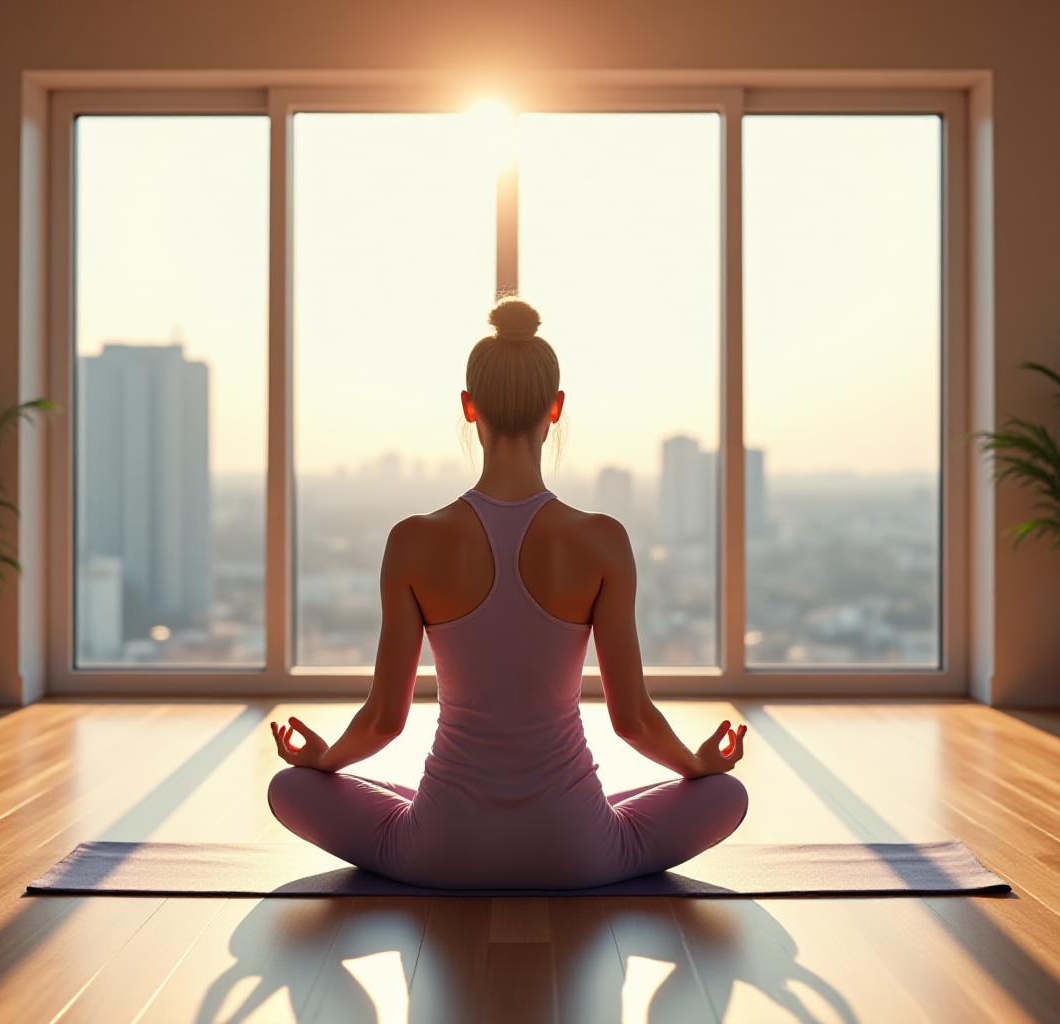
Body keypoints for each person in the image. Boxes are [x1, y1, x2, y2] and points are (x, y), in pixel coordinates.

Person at [268, 297, 749, 889]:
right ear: (557, 408)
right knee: (724, 793)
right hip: (577, 851)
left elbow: (383, 722)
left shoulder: (413, 541)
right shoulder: (602, 541)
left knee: (288, 787)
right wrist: (698, 765)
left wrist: (322, 761)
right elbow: (634, 722)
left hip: (441, 851)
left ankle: (425, 810)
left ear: (469, 409)